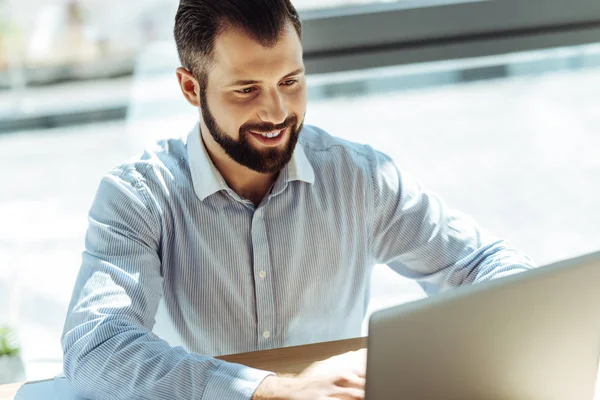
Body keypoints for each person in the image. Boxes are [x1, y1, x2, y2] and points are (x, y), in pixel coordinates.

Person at [60, 1, 535, 399]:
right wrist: (271, 390)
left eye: (291, 81)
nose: (277, 112)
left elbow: (487, 266)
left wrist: (409, 358)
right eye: (247, 90)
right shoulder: (139, 196)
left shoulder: (360, 178)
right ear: (190, 87)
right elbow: (97, 347)